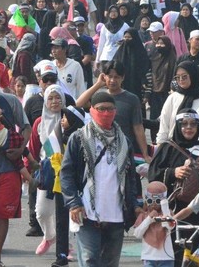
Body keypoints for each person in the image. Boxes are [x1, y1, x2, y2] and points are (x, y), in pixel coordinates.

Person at [60, 92, 141, 267]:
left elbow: (131, 179)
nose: (106, 113)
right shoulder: (79, 138)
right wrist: (73, 203)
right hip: (87, 212)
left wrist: (135, 205)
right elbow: (66, 174)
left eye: (110, 109)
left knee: (110, 263)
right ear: (92, 110)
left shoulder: (125, 142)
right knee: (90, 260)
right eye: (101, 109)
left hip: (116, 214)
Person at [0, 63, 31, 267]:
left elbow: (26, 127)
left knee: (3, 213)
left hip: (8, 168)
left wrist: (21, 150)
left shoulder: (10, 101)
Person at [147, 109, 199, 265]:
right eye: (184, 124)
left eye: (193, 124)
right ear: (177, 126)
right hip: (174, 210)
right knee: (175, 251)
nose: (189, 128)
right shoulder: (168, 147)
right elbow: (153, 174)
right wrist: (174, 172)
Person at [75, 61, 151, 163]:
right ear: (104, 76)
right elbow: (78, 104)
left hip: (124, 150)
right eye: (109, 76)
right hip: (100, 149)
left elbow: (138, 128)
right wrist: (97, 85)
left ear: (123, 78)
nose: (112, 80)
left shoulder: (132, 99)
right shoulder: (99, 97)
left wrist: (145, 154)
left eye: (116, 77)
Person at [27, 85, 66, 256]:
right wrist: (28, 172)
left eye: (58, 97)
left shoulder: (69, 119)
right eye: (50, 98)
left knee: (67, 213)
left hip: (67, 171)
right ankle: (49, 236)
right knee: (42, 212)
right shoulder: (39, 123)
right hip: (47, 172)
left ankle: (65, 247)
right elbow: (33, 149)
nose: (54, 101)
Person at [156, 61, 199, 146]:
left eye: (184, 76)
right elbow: (164, 122)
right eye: (177, 77)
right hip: (173, 147)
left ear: (193, 75)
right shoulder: (173, 97)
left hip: (196, 148)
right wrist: (160, 143)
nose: (181, 80)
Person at [132, 181, 175, 266]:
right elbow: (137, 234)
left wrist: (164, 207)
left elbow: (170, 226)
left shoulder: (168, 213)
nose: (154, 204)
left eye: (158, 201)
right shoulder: (143, 215)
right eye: (150, 200)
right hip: (149, 257)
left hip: (166, 258)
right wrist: (149, 219)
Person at [113, 28, 151, 101]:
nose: (127, 39)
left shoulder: (141, 53)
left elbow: (145, 69)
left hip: (138, 86)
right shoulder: (120, 52)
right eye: (125, 37)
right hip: (122, 85)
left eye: (129, 37)